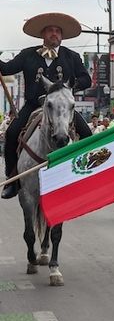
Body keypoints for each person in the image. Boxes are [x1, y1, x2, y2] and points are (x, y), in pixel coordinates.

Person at [0, 12, 93, 199]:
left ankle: (84, 177)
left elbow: (86, 80)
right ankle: (13, 180)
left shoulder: (72, 56)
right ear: (43, 34)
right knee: (11, 134)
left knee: (87, 134)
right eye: (50, 30)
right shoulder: (27, 54)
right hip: (35, 104)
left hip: (63, 107)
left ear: (62, 36)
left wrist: (70, 85)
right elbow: (7, 69)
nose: (54, 34)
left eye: (58, 31)